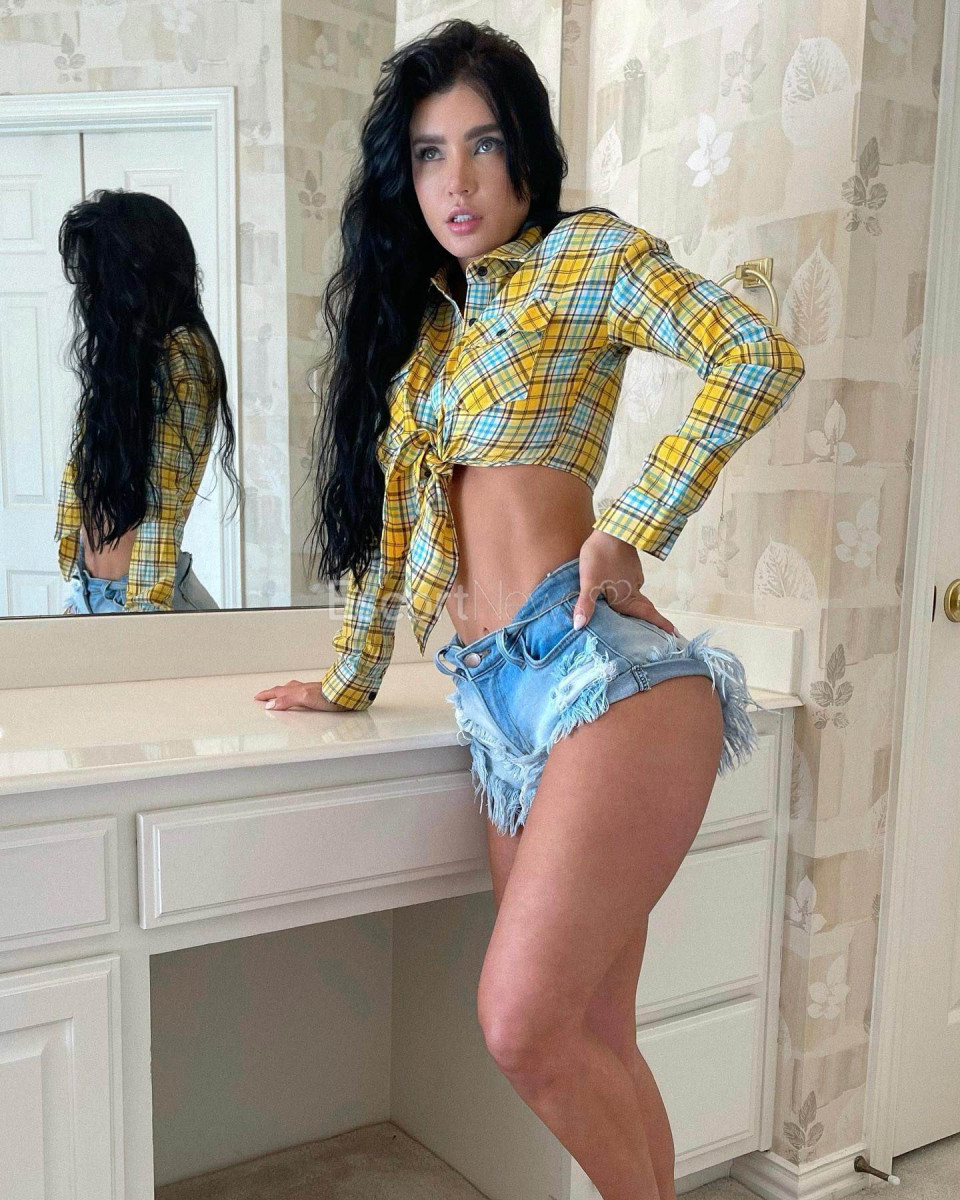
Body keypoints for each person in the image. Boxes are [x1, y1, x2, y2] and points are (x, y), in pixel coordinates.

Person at [255, 19, 804, 1200]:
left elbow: (753, 356)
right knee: (594, 1034)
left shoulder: (582, 258)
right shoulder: (424, 343)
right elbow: (395, 533)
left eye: (483, 144)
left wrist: (634, 523)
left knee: (521, 1025)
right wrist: (347, 679)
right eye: (428, 154)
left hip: (600, 673)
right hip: (491, 701)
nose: (456, 180)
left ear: (526, 153)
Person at [55, 189, 242, 615]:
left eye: (100, 271)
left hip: (140, 603)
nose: (90, 288)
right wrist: (78, 598)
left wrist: (139, 620)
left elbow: (162, 499)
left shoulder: (182, 352)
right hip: (94, 595)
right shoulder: (125, 357)